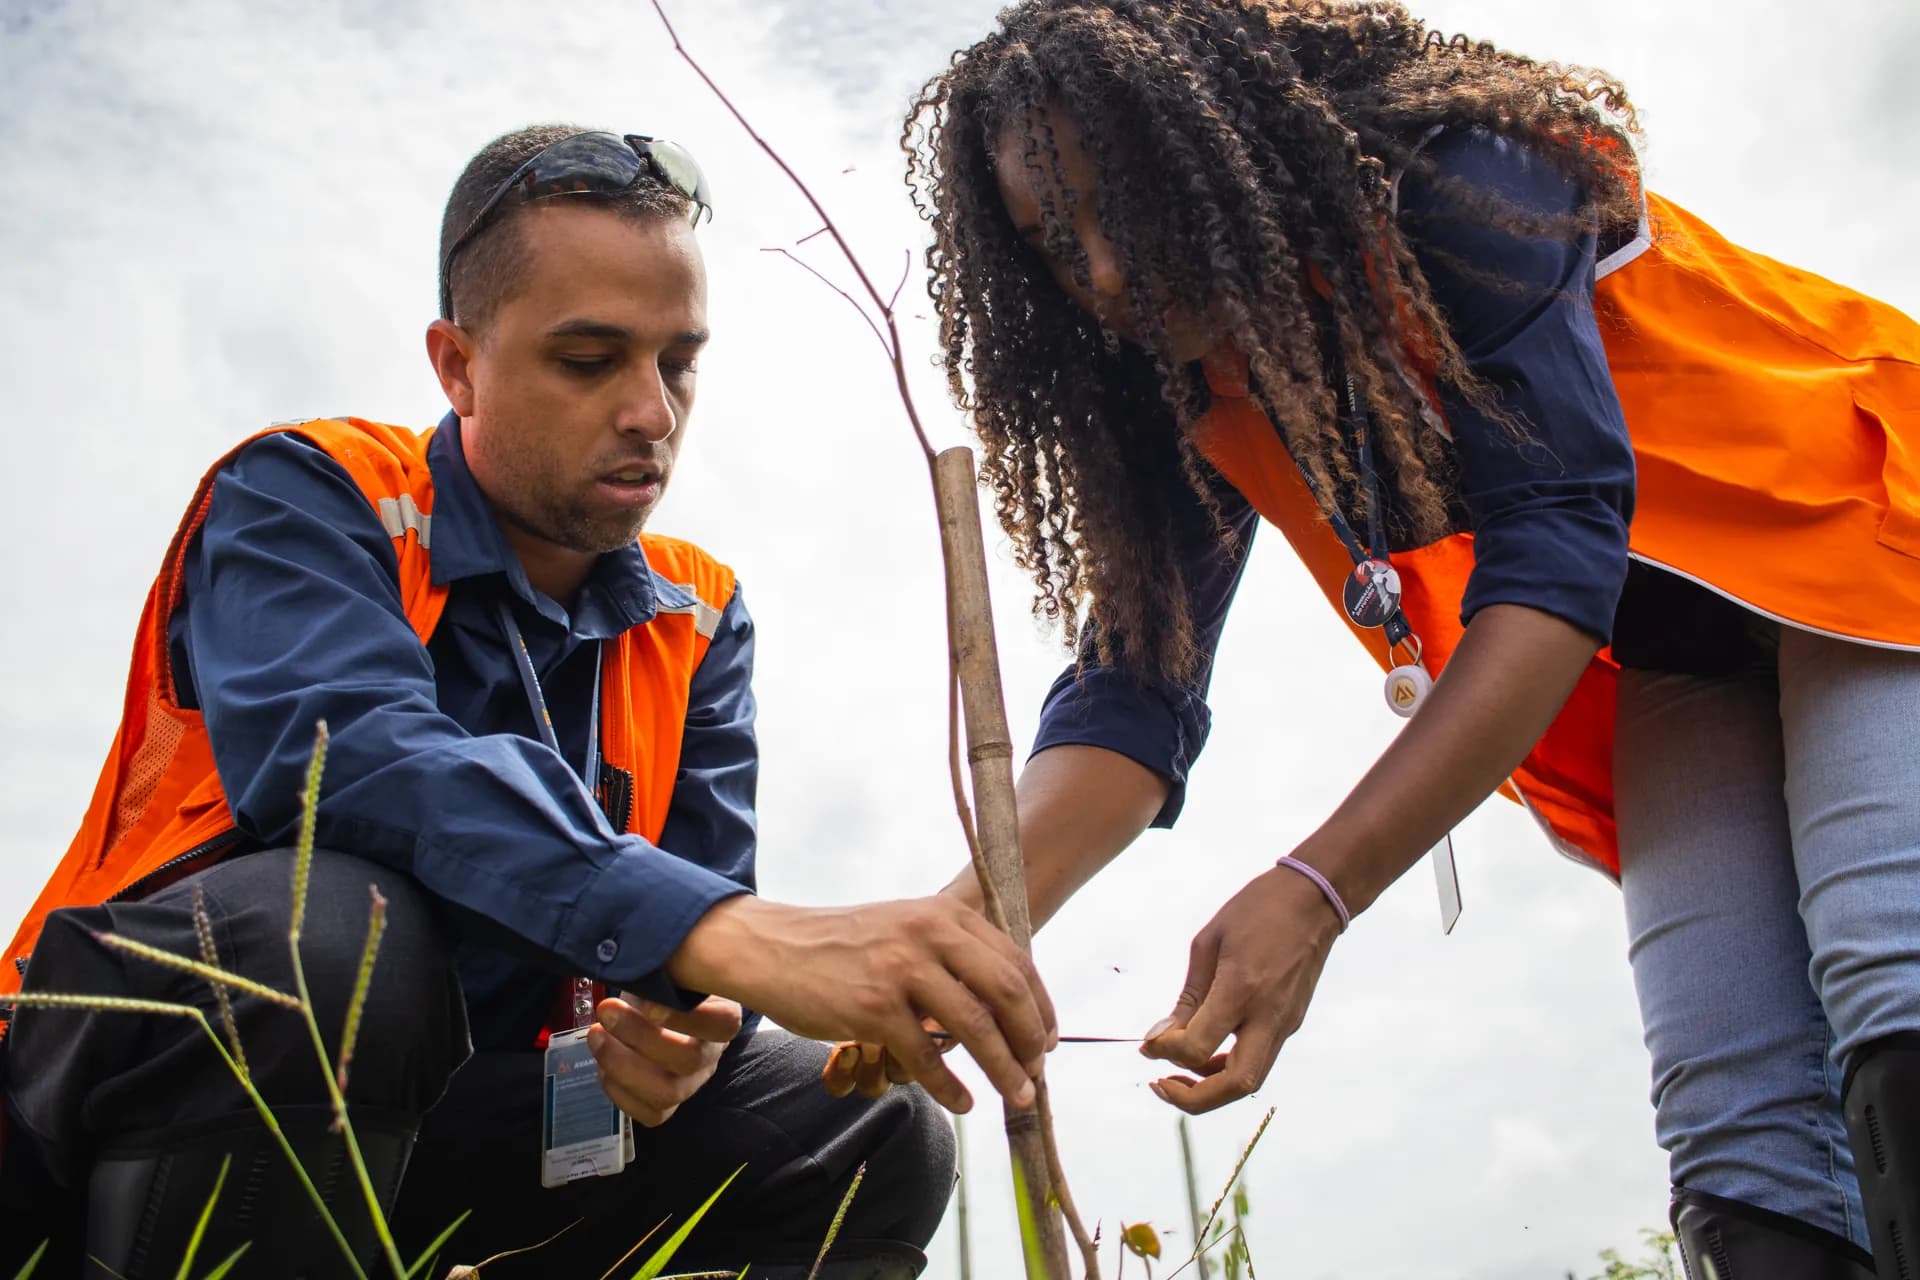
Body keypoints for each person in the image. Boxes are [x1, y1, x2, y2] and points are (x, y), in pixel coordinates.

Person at [881, 1, 1920, 1275]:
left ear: (1214, 155)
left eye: (1125, 211)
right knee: (1739, 1136)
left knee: (1894, 972)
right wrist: (948, 931)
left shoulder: (1453, 179)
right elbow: (1134, 693)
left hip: (1872, 533)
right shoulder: (1198, 387)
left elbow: (1558, 543)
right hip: (1676, 653)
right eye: (1056, 241)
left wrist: (1318, 888)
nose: (1101, 274)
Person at [0, 124, 1058, 1280]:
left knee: (871, 1129)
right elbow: (355, 758)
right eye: (589, 359)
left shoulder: (696, 619)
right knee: (339, 932)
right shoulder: (308, 494)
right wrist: (719, 933)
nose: (652, 411)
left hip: (466, 1126)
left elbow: (696, 946)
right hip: (117, 1106)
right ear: (457, 365)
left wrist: (685, 1032)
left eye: (679, 360)